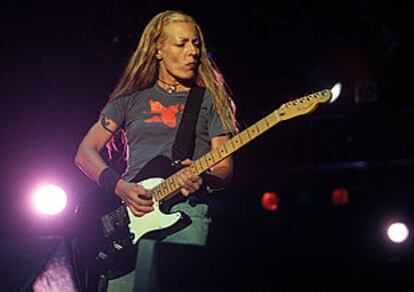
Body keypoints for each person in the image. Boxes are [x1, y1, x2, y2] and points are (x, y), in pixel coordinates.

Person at [74, 10, 237, 291]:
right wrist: (120, 187)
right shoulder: (130, 99)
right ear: (158, 49)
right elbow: (85, 152)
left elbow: (224, 170)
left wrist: (203, 178)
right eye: (181, 43)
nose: (193, 52)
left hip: (187, 213)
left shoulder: (209, 100)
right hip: (130, 215)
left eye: (196, 44)